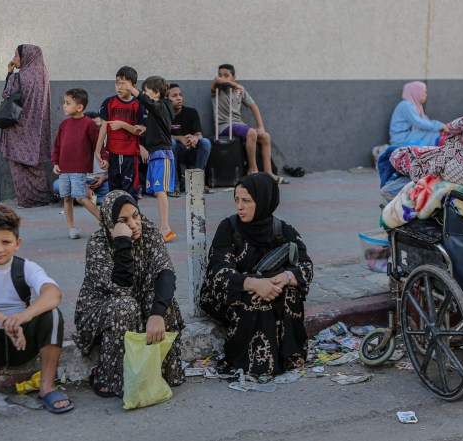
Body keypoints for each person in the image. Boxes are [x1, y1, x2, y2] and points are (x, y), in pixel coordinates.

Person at [0, 205, 72, 434]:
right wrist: (5, 320)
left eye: (6, 242)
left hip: (22, 344)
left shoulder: (26, 267)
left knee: (52, 314)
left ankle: (47, 387)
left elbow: (53, 294)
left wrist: (22, 317)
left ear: (17, 243)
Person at [72, 190, 185, 397]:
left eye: (135, 215)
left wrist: (157, 314)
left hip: (137, 302)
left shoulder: (150, 232)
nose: (133, 224)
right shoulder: (98, 244)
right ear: (109, 224)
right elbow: (121, 288)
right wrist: (122, 243)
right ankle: (110, 377)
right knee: (125, 305)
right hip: (102, 313)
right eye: (123, 220)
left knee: (161, 300)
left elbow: (166, 273)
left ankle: (160, 373)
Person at [200, 173, 313, 376]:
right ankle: (250, 363)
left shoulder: (283, 230)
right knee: (256, 297)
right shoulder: (228, 228)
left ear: (263, 201)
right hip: (228, 296)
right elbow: (219, 274)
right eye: (236, 200)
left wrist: (284, 278)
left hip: (271, 288)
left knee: (289, 292)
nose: (240, 207)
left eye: (247, 201)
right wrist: (254, 284)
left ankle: (291, 357)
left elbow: (306, 267)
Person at [211, 64, 288, 184]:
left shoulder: (238, 92)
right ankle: (253, 170)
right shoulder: (217, 90)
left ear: (234, 77)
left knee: (265, 137)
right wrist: (236, 85)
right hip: (224, 125)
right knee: (251, 133)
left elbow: (253, 106)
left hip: (239, 124)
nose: (223, 78)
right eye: (221, 75)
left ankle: (269, 173)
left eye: (226, 75)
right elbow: (216, 80)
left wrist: (261, 126)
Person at [124, 76, 177, 242]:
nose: (144, 94)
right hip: (156, 154)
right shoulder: (158, 109)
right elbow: (158, 126)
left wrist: (132, 89)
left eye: (146, 91)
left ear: (155, 92)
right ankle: (163, 226)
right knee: (156, 191)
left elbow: (148, 103)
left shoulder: (162, 105)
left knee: (161, 191)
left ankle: (165, 227)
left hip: (162, 154)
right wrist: (145, 129)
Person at [0, 44, 52, 208]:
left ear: (26, 57)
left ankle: (26, 200)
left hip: (18, 127)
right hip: (37, 129)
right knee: (36, 164)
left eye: (16, 55)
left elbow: (6, 94)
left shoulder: (18, 77)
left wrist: (10, 74)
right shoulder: (43, 76)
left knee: (18, 164)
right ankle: (41, 197)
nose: (14, 58)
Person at [52, 88, 100, 240]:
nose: (64, 106)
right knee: (66, 197)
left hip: (79, 168)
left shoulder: (89, 124)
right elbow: (57, 145)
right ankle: (71, 227)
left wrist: (102, 158)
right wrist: (55, 162)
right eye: (64, 103)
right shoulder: (64, 124)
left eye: (67, 103)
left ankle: (105, 222)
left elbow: (97, 145)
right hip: (64, 169)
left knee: (80, 198)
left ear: (79, 107)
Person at [94, 66, 147, 202]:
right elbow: (104, 128)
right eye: (117, 82)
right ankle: (117, 219)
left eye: (124, 84)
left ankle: (133, 219)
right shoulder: (108, 102)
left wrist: (122, 125)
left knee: (130, 190)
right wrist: (98, 151)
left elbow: (140, 130)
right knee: (114, 190)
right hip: (113, 153)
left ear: (134, 86)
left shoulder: (138, 104)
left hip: (130, 154)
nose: (119, 87)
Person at [168, 83, 213, 195]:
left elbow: (199, 134)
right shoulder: (165, 115)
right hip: (175, 150)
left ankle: (196, 185)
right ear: (167, 99)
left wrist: (194, 139)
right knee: (171, 142)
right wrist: (180, 138)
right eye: (174, 96)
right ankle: (174, 186)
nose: (179, 98)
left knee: (205, 142)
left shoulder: (191, 112)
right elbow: (162, 135)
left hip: (192, 148)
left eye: (180, 95)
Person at [389, 81, 445, 146]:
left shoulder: (417, 107)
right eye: (424, 92)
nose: (426, 95)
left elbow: (426, 122)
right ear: (417, 93)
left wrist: (438, 127)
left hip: (408, 135)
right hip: (400, 138)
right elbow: (419, 122)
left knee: (433, 132)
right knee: (432, 135)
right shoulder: (406, 105)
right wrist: (439, 125)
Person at [83, 111, 110, 205]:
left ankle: (82, 199)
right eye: (93, 127)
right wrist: (84, 186)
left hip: (102, 181)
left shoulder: (109, 140)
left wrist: (103, 178)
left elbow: (118, 169)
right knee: (58, 186)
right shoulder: (77, 140)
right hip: (80, 180)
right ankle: (92, 198)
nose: (97, 130)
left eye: (99, 126)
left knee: (115, 187)